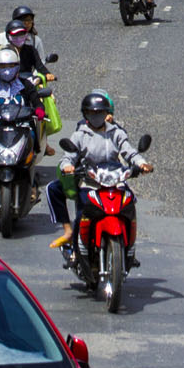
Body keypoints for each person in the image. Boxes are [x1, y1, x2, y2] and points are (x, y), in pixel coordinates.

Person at [49, 91, 153, 259]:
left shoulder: (116, 133)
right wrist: (67, 166)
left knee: (129, 203)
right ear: (85, 114)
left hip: (115, 180)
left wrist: (142, 164)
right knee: (82, 214)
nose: (96, 116)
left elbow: (130, 152)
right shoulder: (79, 135)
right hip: (91, 182)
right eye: (92, 112)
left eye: (100, 112)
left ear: (107, 114)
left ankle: (129, 249)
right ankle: (77, 251)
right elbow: (69, 156)